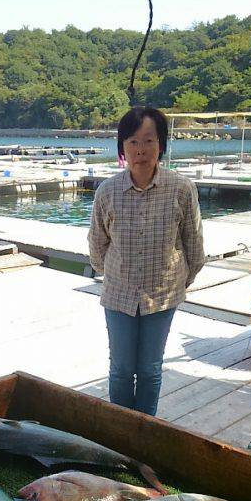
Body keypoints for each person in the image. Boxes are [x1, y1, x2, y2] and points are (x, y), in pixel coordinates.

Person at [88, 106, 205, 417]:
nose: (141, 150)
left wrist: (176, 281)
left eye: (149, 141)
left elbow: (194, 246)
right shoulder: (108, 191)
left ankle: (145, 435)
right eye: (133, 142)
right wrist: (115, 274)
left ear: (161, 145)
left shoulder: (181, 189)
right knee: (121, 369)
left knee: (151, 369)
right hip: (118, 295)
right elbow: (97, 246)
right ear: (122, 147)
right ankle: (122, 436)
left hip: (162, 295)